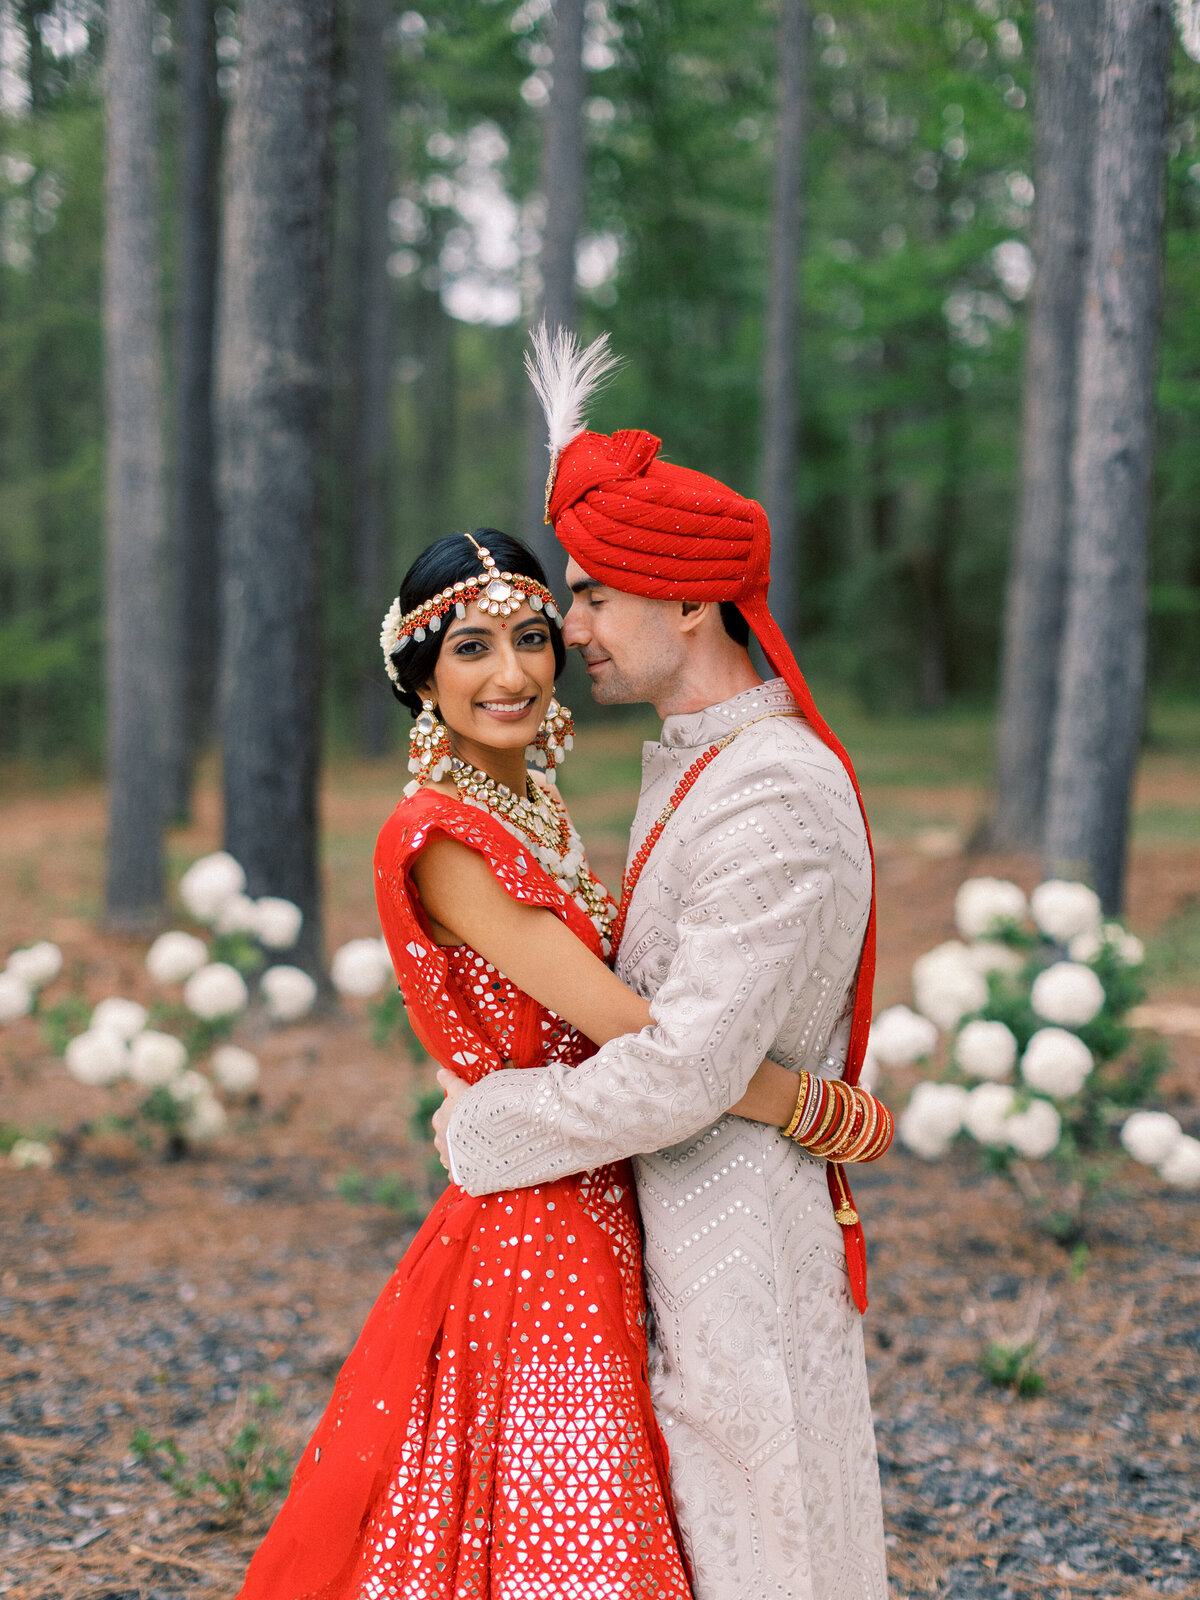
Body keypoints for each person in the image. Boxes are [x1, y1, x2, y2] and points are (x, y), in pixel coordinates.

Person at [235, 528, 883, 1600]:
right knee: (571, 1520)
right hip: (540, 1225)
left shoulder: (528, 810)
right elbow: (643, 1034)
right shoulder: (445, 835)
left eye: (534, 638)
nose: (516, 671)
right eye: (473, 650)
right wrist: (811, 1104)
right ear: (420, 675)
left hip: (598, 1185)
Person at [433, 329, 892, 1600]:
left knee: (767, 1543)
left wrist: (491, 1122)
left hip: (739, 1243)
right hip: (687, 1225)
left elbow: (689, 1064)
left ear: (690, 601)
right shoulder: (700, 761)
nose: (564, 625)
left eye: (590, 595)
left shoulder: (774, 795)